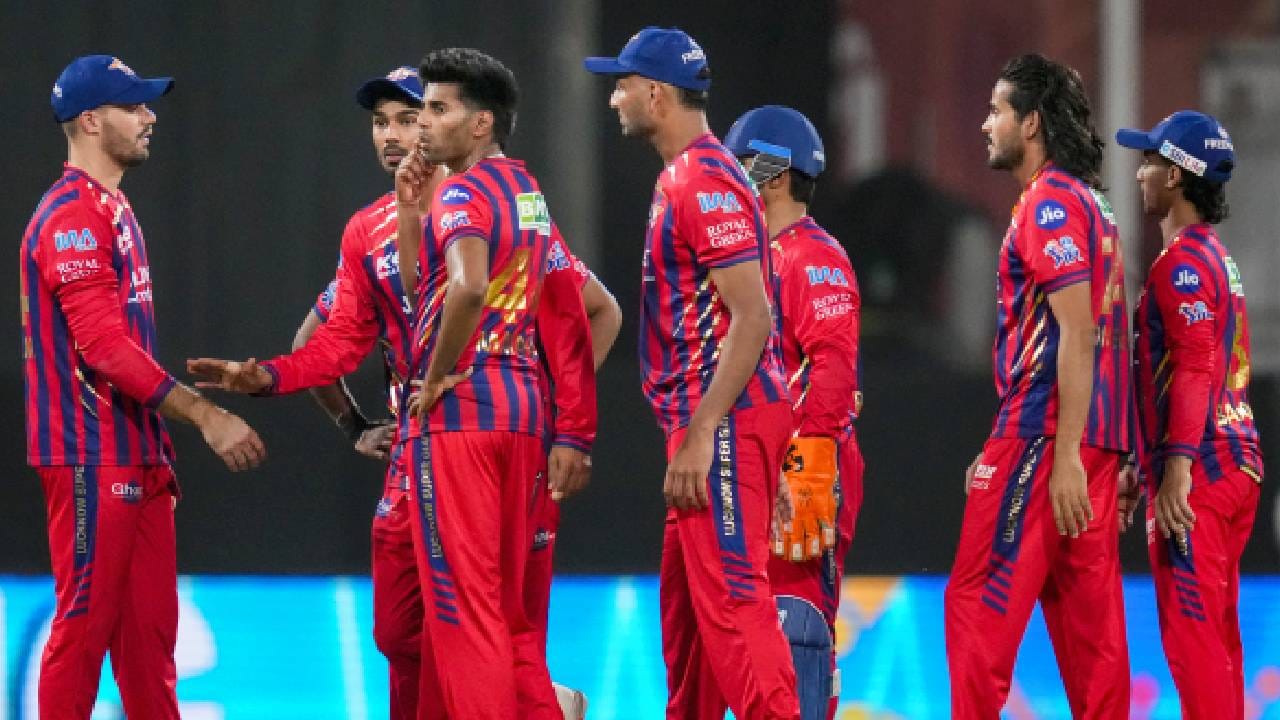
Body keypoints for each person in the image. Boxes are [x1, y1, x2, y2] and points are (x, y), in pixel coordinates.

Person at [21, 54, 265, 719]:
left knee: (150, 646)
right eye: (133, 107)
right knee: (82, 633)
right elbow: (103, 347)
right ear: (91, 121)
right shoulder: (72, 215)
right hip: (90, 455)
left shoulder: (114, 206)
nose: (150, 117)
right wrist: (207, 416)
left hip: (137, 456)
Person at [586, 27, 800, 720]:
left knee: (733, 604)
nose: (614, 99)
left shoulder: (704, 181)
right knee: (689, 630)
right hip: (716, 422)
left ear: (656, 93)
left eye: (622, 85)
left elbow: (754, 315)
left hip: (721, 420)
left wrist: (707, 431)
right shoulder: (686, 175)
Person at [944, 53, 1132, 719]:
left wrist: (1062, 453)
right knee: (1092, 637)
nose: (985, 124)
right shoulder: (1093, 205)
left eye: (996, 110)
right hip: (1089, 443)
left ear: (1030, 123)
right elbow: (1107, 333)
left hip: (1047, 438)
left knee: (975, 604)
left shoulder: (1049, 205)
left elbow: (1078, 331)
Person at [398, 46, 583, 719]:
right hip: (523, 414)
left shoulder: (462, 190)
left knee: (462, 614)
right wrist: (575, 429)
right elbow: (580, 308)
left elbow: (468, 287)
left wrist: (436, 374)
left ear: (480, 124)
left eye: (437, 109)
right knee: (507, 616)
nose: (422, 123)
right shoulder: (528, 194)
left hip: (462, 418)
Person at [1116, 110, 1263, 719]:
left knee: (1193, 637)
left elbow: (1197, 365)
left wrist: (1174, 468)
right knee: (1218, 637)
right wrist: (1142, 462)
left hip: (1200, 471)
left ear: (1176, 175)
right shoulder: (1214, 258)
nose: (1140, 173)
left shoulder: (1180, 265)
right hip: (1233, 461)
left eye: (1150, 161)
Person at [724, 105, 863, 720]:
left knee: (796, 622)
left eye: (739, 165)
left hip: (803, 469)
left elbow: (833, 362)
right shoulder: (761, 258)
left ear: (774, 173)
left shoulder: (813, 257)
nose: (728, 180)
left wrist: (811, 462)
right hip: (766, 467)